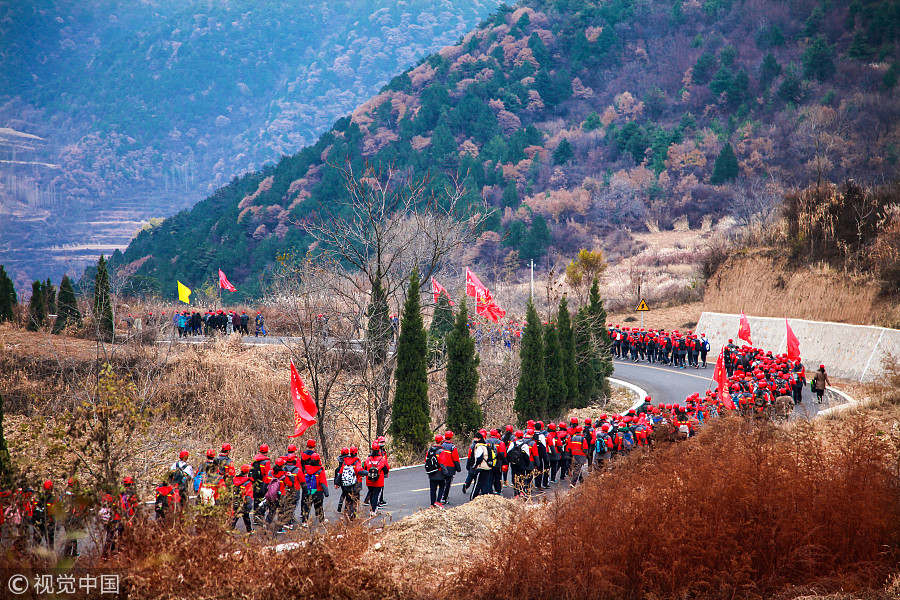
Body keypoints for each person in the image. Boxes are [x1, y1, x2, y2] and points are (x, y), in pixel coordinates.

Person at [334, 447, 364, 520]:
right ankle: (353, 516)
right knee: (355, 500)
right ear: (356, 452)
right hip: (356, 484)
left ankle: (346, 514)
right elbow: (359, 470)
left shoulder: (345, 462)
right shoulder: (357, 461)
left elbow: (340, 473)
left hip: (346, 484)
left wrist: (337, 483)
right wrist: (366, 473)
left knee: (348, 500)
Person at [300, 453, 328, 526]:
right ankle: (321, 521)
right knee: (319, 506)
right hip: (318, 491)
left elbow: (303, 479)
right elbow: (323, 482)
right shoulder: (320, 470)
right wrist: (326, 492)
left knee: (306, 506)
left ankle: (304, 522)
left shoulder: (306, 468)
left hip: (308, 491)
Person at [363, 443, 389, 516]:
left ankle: (372, 509)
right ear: (379, 450)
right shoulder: (382, 459)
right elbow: (386, 469)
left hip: (369, 480)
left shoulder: (368, 459)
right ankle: (374, 510)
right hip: (378, 481)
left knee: (371, 494)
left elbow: (364, 468)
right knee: (376, 495)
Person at [471, 431, 495, 498]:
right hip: (488, 467)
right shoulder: (487, 446)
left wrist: (475, 466)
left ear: (478, 438)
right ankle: (485, 498)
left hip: (481, 467)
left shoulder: (479, 447)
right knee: (485, 484)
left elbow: (479, 458)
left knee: (477, 484)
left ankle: (473, 498)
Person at [439, 431, 461, 504]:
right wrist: (458, 468)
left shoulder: (441, 445)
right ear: (451, 437)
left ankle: (440, 497)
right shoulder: (452, 447)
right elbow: (456, 459)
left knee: (442, 482)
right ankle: (444, 498)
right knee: (448, 483)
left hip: (442, 466)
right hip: (450, 467)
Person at [425, 435, 447, 508]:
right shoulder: (441, 451)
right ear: (441, 441)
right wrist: (446, 472)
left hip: (431, 472)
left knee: (433, 489)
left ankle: (432, 504)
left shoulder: (430, 450)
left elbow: (426, 460)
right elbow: (442, 463)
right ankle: (438, 502)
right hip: (439, 472)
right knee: (442, 486)